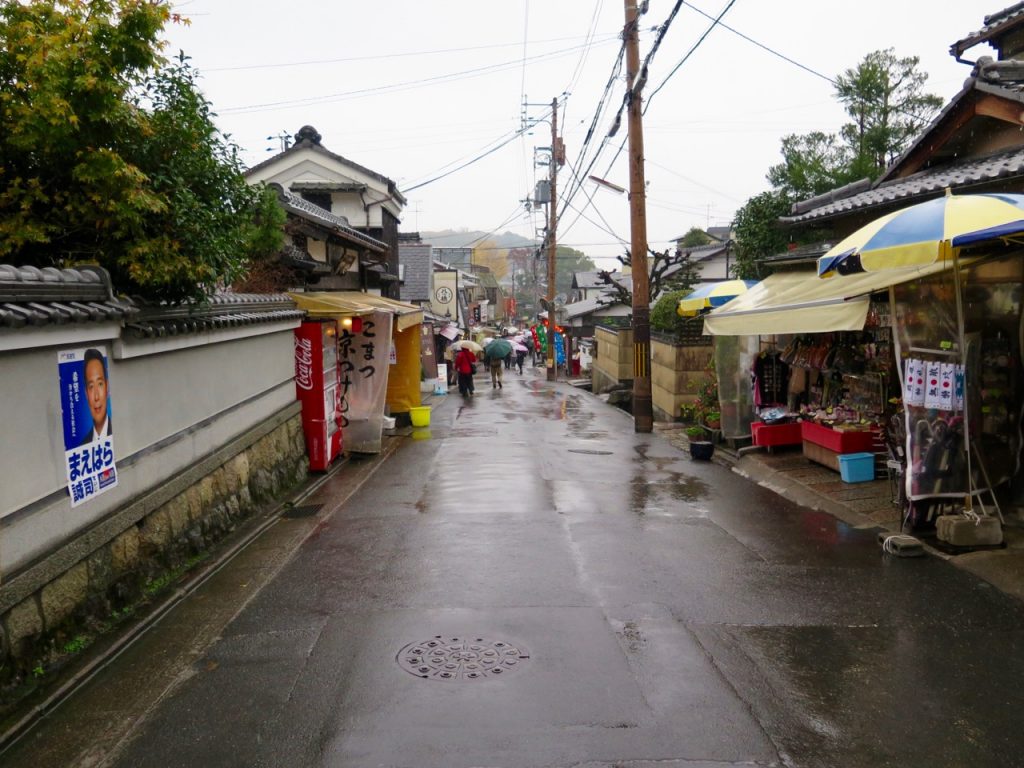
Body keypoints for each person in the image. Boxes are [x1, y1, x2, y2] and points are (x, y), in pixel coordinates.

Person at [80, 347, 112, 445]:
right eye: (91, 386)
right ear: (86, 394)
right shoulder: (83, 445)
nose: (96, 397)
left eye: (100, 384)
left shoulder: (120, 432)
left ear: (107, 388)